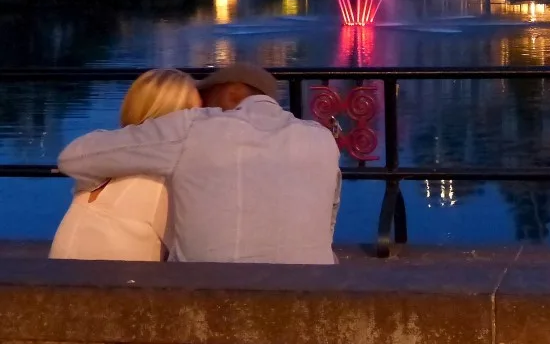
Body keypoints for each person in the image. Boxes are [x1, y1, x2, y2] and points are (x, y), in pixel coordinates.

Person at [57, 63, 341, 264]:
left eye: (205, 98)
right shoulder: (322, 139)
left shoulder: (193, 128)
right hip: (312, 293)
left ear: (231, 94)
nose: (204, 108)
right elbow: (327, 230)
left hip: (210, 302)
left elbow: (74, 157)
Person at [50, 68, 201, 261]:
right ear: (178, 121)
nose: (204, 121)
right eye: (197, 113)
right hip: (115, 285)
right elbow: (193, 252)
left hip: (63, 274)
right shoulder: (160, 179)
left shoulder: (103, 159)